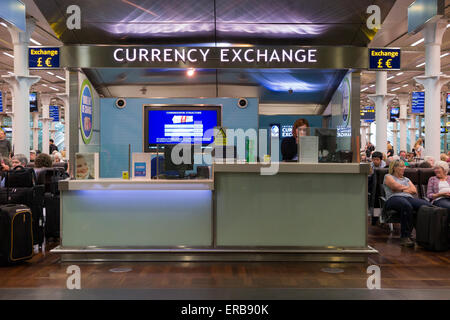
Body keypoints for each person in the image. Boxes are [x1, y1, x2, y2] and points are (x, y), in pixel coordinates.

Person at [383, 159, 430, 247]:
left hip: (408, 197)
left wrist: (401, 188)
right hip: (393, 198)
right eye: (401, 166)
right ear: (394, 168)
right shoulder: (388, 176)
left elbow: (414, 191)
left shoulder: (406, 179)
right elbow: (394, 186)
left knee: (427, 205)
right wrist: (406, 189)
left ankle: (425, 235)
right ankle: (405, 237)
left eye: (404, 166)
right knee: (406, 205)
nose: (404, 168)